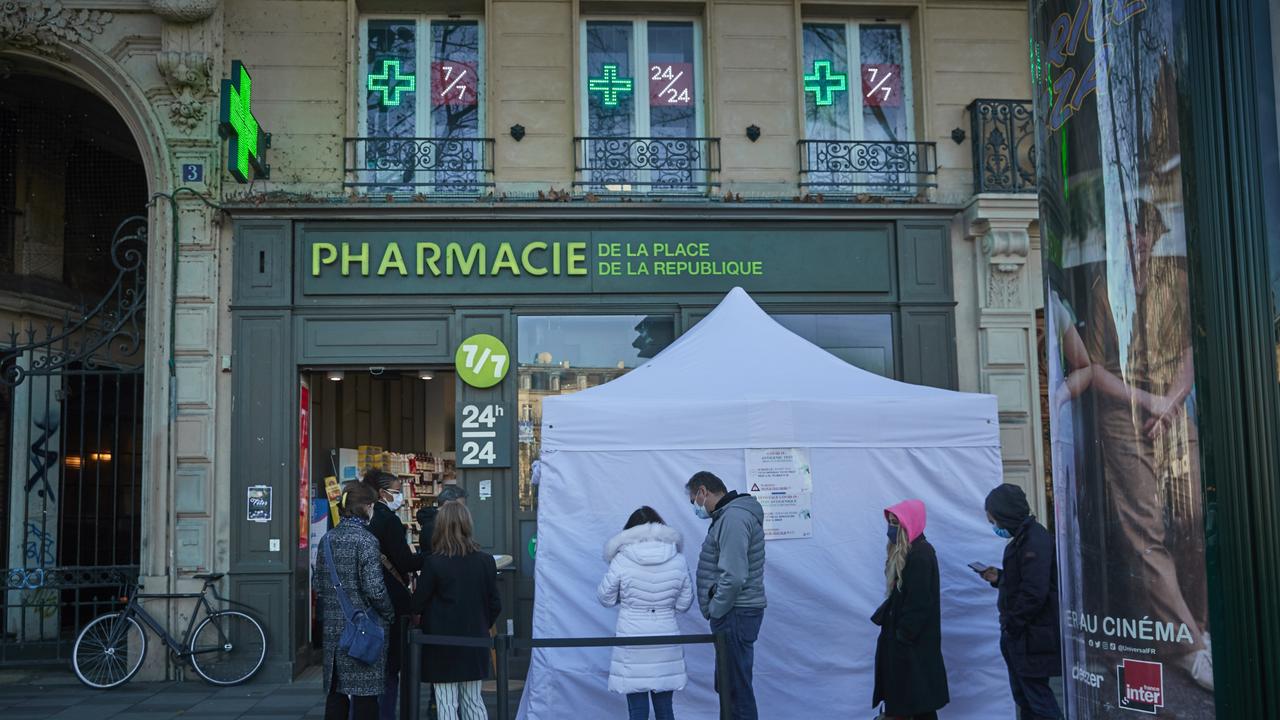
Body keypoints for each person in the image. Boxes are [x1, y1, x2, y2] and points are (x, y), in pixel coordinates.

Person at [1081, 199, 1212, 691]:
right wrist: (1147, 401)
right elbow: (1095, 370)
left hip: (1172, 413)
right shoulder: (1101, 290)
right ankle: (1187, 648)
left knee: (1193, 517)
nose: (1137, 240)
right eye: (1130, 231)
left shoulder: (1174, 284)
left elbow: (1188, 351)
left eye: (1145, 232)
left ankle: (1195, 626)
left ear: (1154, 238)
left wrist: (1172, 403)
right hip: (1123, 416)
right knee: (1146, 529)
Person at [596, 506, 695, 720]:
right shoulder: (678, 560)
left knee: (638, 711)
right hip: (665, 636)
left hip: (633, 636)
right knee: (665, 709)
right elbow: (684, 603)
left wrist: (624, 599)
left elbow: (605, 597)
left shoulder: (622, 559)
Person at [686, 471, 765, 720]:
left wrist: (716, 609)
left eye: (693, 501)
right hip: (735, 612)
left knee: (736, 692)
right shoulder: (729, 516)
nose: (695, 507)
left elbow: (735, 575)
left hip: (735, 613)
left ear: (702, 492)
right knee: (731, 688)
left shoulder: (733, 517)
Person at [982, 484, 1063, 720]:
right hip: (1024, 635)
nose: (994, 527)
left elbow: (1034, 592)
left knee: (1039, 701)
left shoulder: (1034, 540)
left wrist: (1013, 624)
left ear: (1005, 514)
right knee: (1026, 699)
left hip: (1030, 635)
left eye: (994, 520)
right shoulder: (1023, 538)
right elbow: (1026, 581)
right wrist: (1000, 578)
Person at [413, 502, 501, 720]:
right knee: (473, 701)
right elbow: (495, 603)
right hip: (475, 639)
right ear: (467, 525)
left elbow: (417, 604)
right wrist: (482, 623)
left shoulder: (434, 563)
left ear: (440, 527)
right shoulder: (486, 561)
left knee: (446, 704)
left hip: (441, 643)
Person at [317, 481, 395, 720]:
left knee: (336, 693)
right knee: (365, 696)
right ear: (367, 507)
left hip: (334, 630)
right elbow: (375, 589)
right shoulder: (366, 541)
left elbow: (318, 585)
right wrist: (390, 613)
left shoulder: (327, 539)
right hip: (364, 628)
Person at [871, 499, 949, 720]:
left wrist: (903, 636)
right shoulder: (910, 552)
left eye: (897, 522)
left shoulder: (921, 554)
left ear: (910, 522)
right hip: (908, 647)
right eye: (891, 522)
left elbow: (919, 603)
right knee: (917, 704)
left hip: (912, 648)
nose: (891, 528)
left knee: (917, 704)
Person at [361, 470, 423, 720]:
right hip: (392, 598)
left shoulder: (359, 521)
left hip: (363, 601)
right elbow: (404, 561)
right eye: (396, 491)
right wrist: (428, 558)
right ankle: (387, 714)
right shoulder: (388, 520)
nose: (399, 496)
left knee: (367, 663)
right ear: (382, 492)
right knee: (392, 666)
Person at [416, 483, 469, 555]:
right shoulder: (433, 526)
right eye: (459, 506)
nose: (462, 510)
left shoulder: (434, 522)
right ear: (447, 504)